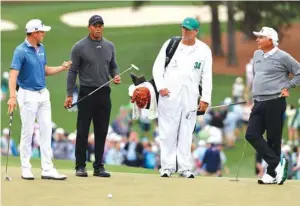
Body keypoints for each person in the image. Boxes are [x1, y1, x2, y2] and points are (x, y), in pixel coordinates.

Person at [7, 19, 72, 180]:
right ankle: (25, 168)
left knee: (46, 130)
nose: (44, 34)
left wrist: (62, 68)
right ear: (34, 33)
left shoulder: (41, 48)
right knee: (27, 132)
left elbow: (44, 70)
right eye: (42, 31)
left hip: (43, 94)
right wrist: (12, 97)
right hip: (27, 95)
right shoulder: (20, 51)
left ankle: (47, 169)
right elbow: (13, 75)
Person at [152, 17, 212, 178]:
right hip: (169, 96)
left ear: (196, 31)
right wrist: (161, 87)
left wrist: (205, 98)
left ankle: (185, 167)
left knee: (186, 131)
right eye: (183, 28)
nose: (185, 31)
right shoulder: (171, 45)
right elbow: (157, 68)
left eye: (188, 29)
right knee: (167, 131)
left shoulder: (204, 50)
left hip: (191, 96)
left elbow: (207, 76)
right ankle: (167, 167)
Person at [64, 15, 121, 178]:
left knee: (101, 131)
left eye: (100, 25)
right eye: (95, 25)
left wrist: (115, 75)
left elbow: (113, 65)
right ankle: (80, 166)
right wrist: (69, 94)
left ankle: (98, 166)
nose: (98, 28)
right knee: (82, 130)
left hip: (104, 92)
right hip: (86, 92)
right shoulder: (79, 47)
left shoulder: (109, 46)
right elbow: (72, 71)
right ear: (89, 27)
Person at [245, 26, 300, 185]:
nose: (257, 40)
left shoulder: (283, 57)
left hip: (275, 101)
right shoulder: (257, 55)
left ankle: (271, 174)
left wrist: (288, 86)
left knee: (273, 140)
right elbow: (258, 77)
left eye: (261, 37)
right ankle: (277, 164)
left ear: (270, 40)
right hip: (258, 101)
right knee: (251, 134)